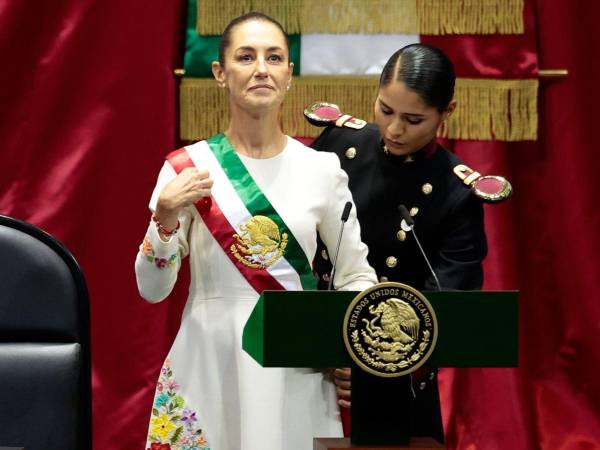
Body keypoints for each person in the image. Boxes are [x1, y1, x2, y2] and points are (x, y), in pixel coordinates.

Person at [135, 12, 377, 450]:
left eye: (274, 57)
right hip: (209, 363)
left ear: (289, 74)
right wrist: (166, 215)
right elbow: (153, 289)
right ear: (220, 73)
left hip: (297, 369)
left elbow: (357, 276)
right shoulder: (185, 169)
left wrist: (352, 353)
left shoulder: (323, 170)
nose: (261, 68)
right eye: (246, 57)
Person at [309, 43, 494, 442]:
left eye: (413, 119)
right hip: (312, 366)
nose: (394, 129)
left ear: (448, 112)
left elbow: (447, 306)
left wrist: (376, 370)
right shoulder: (337, 147)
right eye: (385, 110)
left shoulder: (456, 192)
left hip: (396, 379)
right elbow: (298, 250)